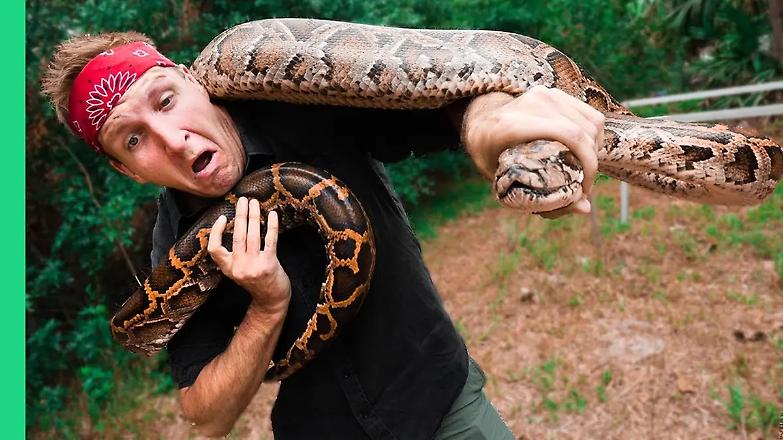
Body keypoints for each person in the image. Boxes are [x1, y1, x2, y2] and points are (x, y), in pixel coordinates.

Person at [42, 29, 604, 439]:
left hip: (442, 403)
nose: (172, 138)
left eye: (166, 100)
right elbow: (203, 415)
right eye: (133, 140)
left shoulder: (302, 101)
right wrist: (268, 306)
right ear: (126, 170)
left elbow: (452, 102)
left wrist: (492, 136)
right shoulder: (175, 250)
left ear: (195, 80)